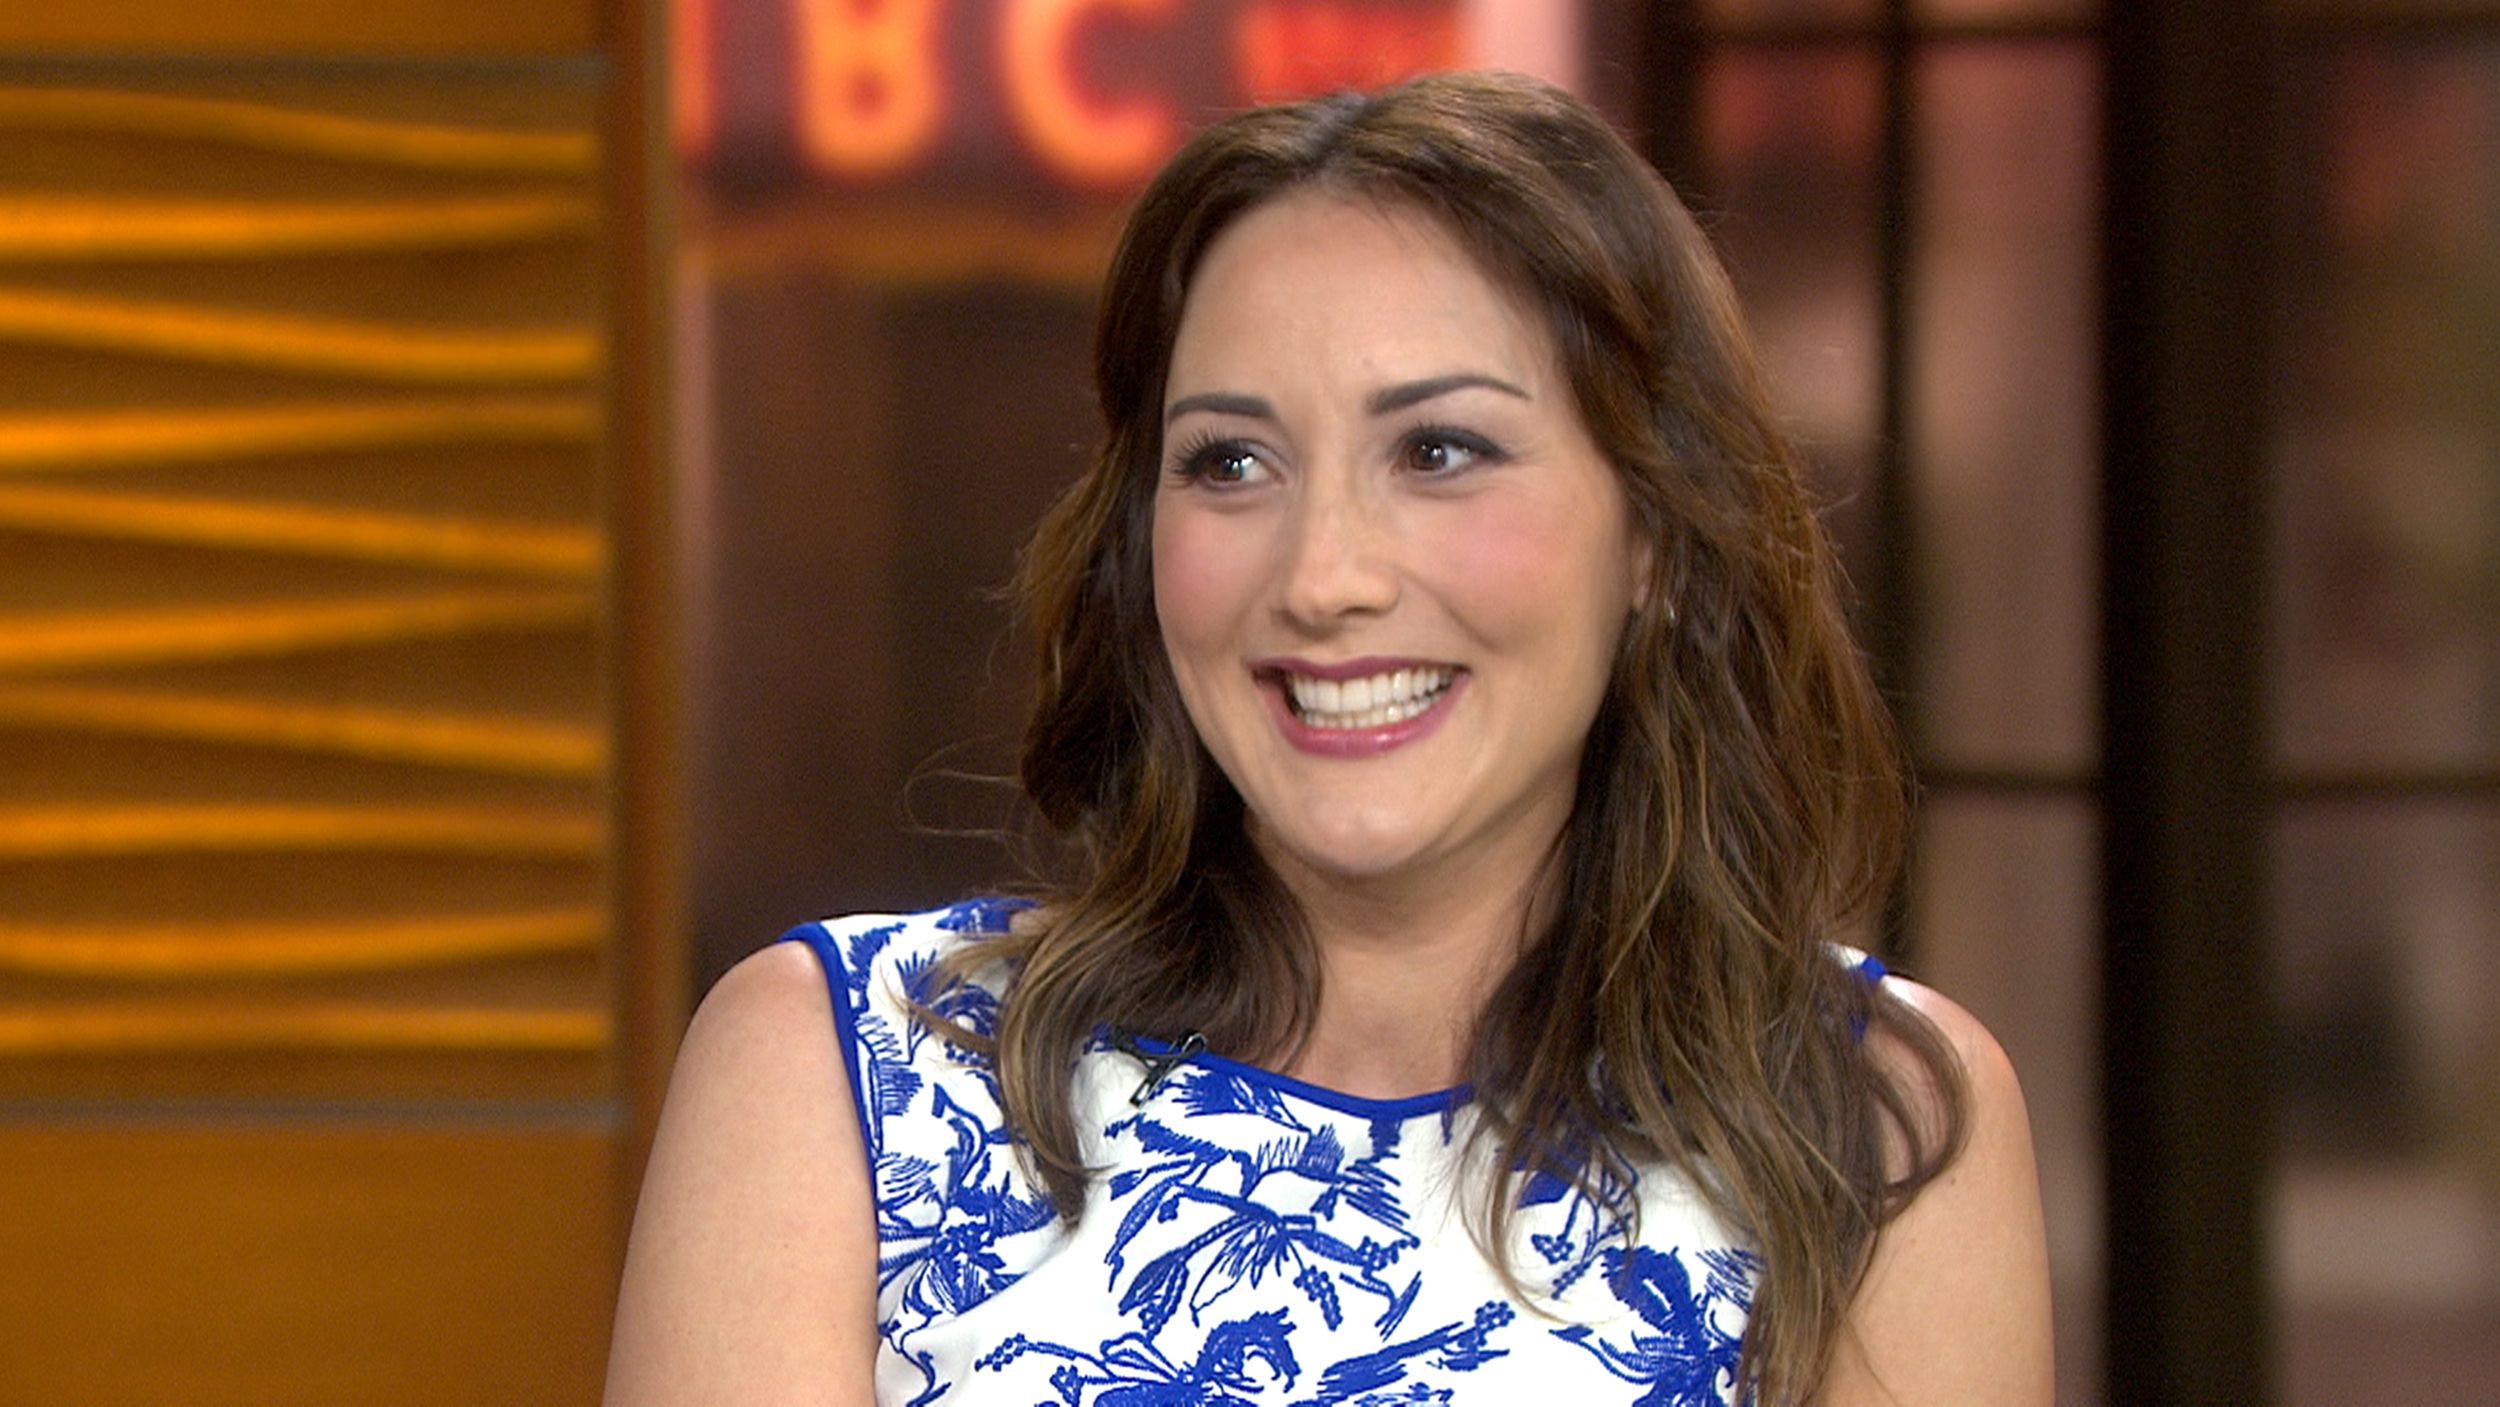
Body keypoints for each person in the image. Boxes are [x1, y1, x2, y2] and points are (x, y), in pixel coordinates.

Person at [607, 70, 2052, 1406]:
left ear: (1655, 538)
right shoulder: (842, 1071)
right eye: (1232, 462)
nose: (1322, 576)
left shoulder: (1871, 1124)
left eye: (1439, 452)